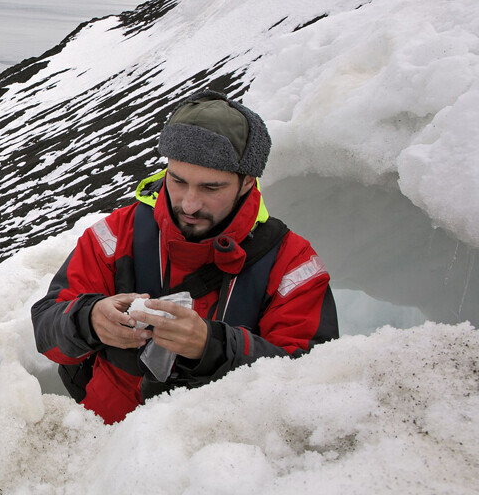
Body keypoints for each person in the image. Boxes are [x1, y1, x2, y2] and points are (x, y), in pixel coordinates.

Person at [31, 89, 338, 423]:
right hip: (103, 446)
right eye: (177, 181)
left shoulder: (292, 264)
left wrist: (214, 347)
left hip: (220, 458)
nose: (189, 204)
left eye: (211, 188)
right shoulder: (117, 235)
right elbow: (46, 328)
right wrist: (88, 320)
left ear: (248, 182)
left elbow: (311, 384)